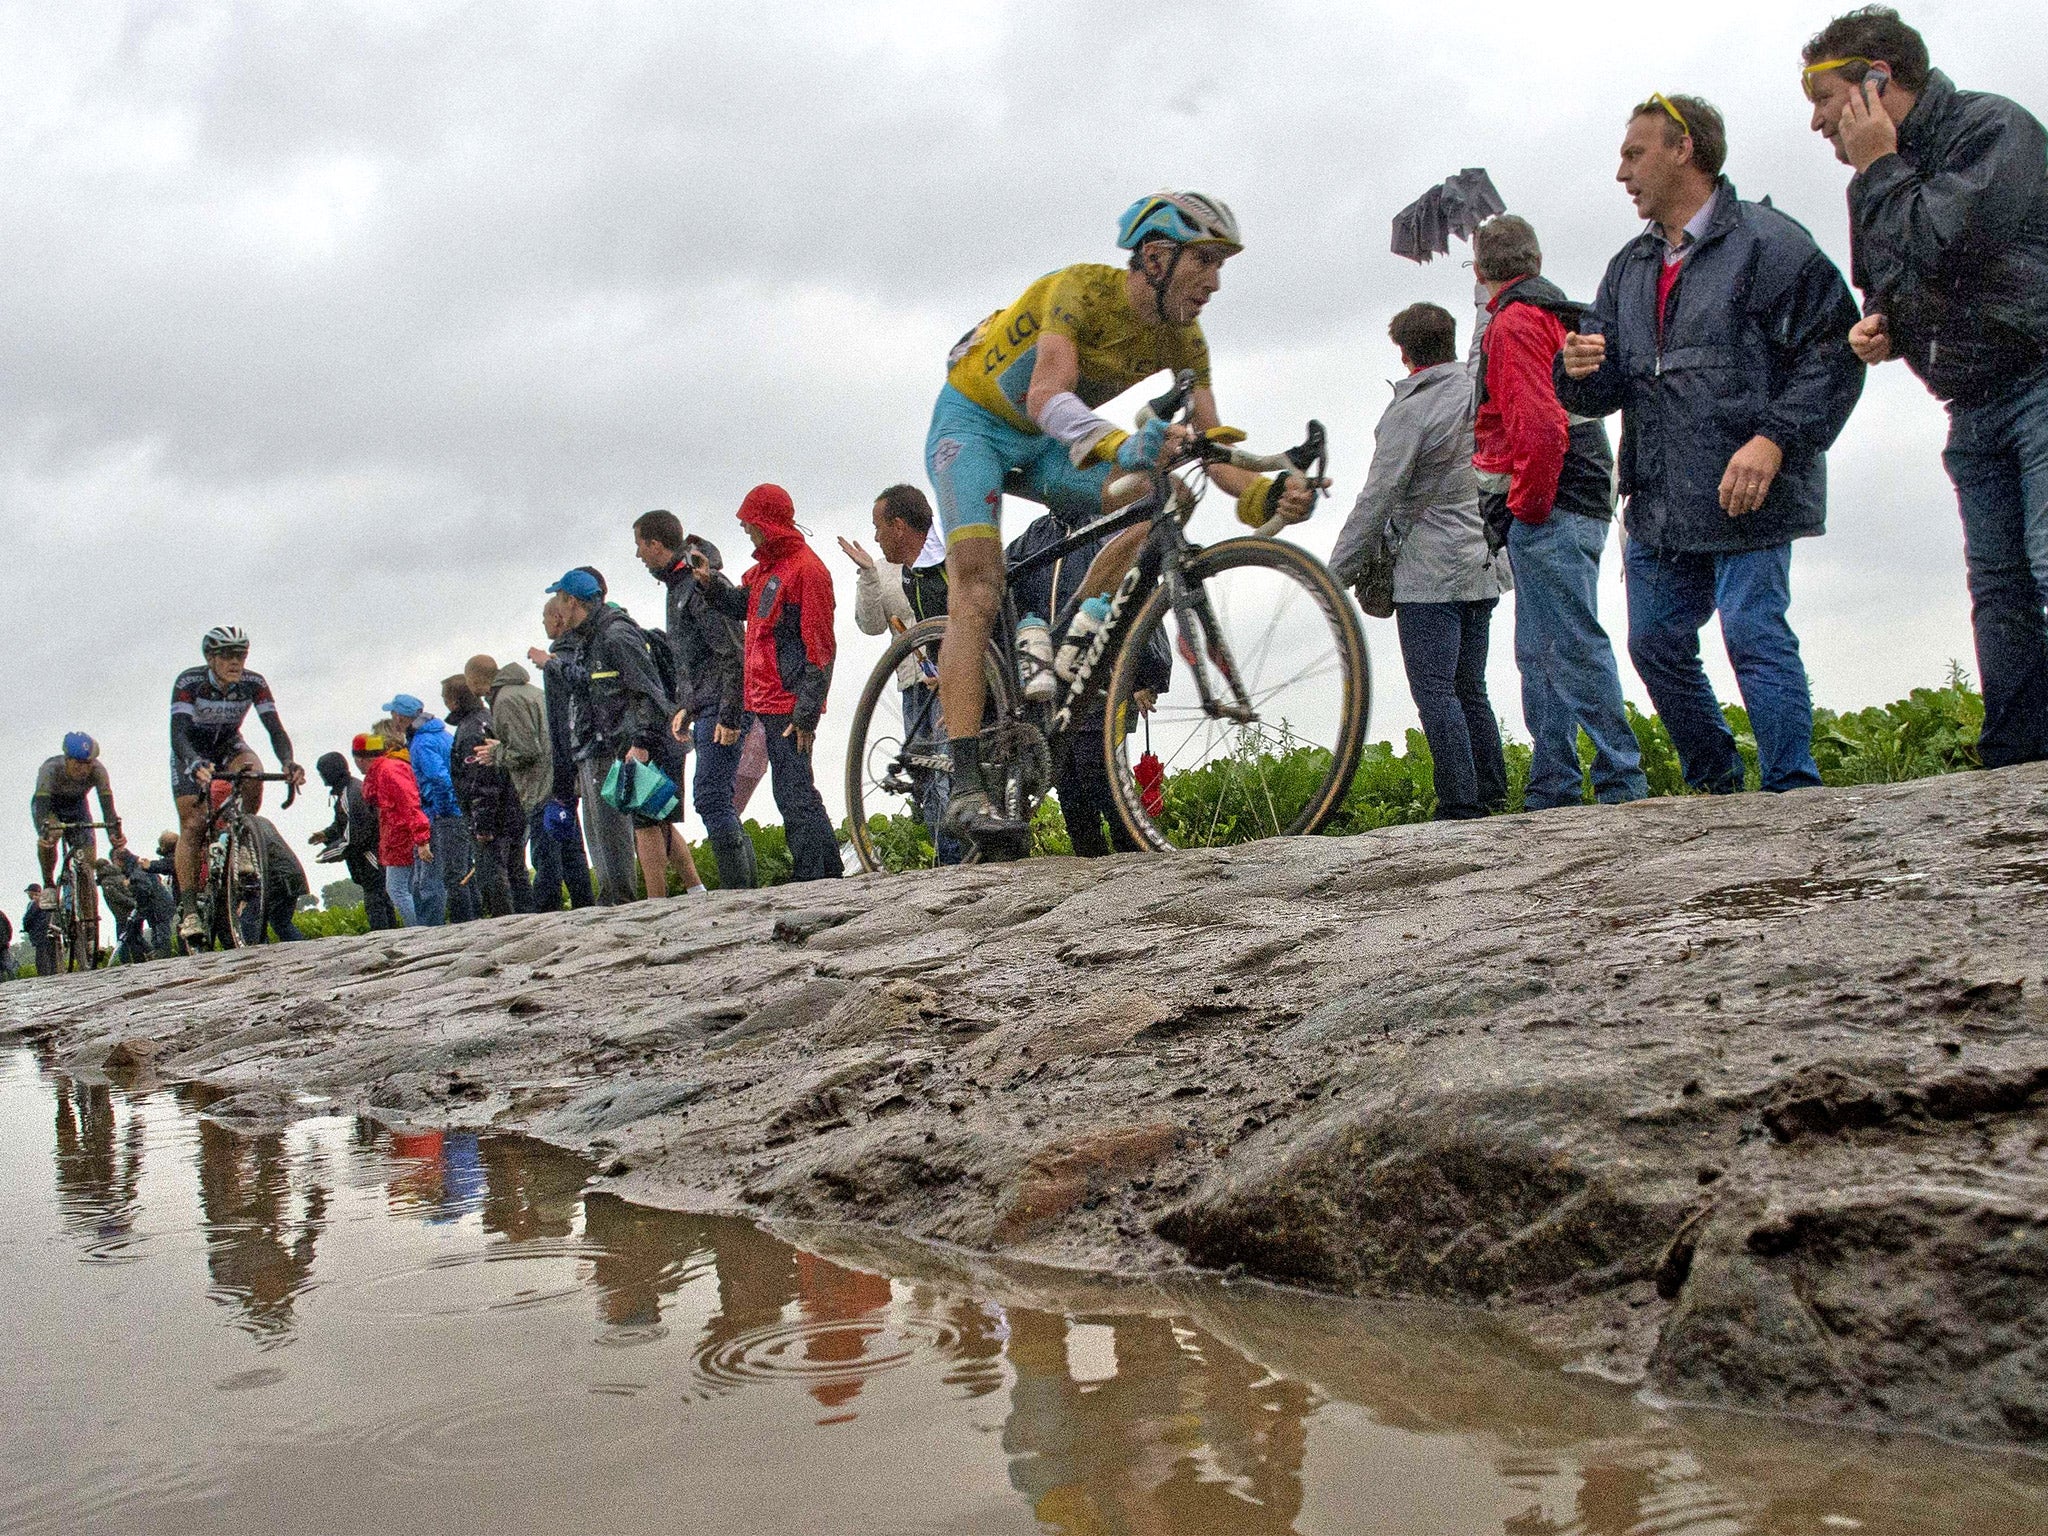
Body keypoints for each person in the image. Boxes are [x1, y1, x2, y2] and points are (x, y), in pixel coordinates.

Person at [925, 192, 1318, 853]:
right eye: (1206, 262)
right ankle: (964, 779)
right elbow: (1046, 395)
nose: (1215, 282)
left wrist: (1267, 493)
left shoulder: (1186, 338)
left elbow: (1211, 450)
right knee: (978, 587)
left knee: (1169, 495)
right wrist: (1120, 443)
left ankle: (1070, 632)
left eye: (1222, 265)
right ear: (1157, 258)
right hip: (974, 426)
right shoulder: (1078, 291)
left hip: (1048, 445)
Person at [1560, 94, 1865, 795]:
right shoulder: (1628, 266)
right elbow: (1601, 386)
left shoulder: (1769, 242)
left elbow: (1834, 350)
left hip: (1748, 485)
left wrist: (1775, 440)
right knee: (1654, 644)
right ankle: (1717, 786)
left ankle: (1792, 789)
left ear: (1682, 149)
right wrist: (1574, 371)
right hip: (1662, 495)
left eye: (1634, 153)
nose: (1621, 172)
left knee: (1754, 633)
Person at [1803, 8, 2048, 767]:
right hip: (1970, 403)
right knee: (2000, 586)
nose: (1815, 122)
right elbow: (1890, 275)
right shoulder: (1869, 182)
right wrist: (1885, 324)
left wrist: (1880, 166)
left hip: (2039, 379)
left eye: (1821, 97)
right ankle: (2018, 760)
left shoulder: (1991, 129)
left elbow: (1950, 242)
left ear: (1876, 81)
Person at [1465, 216, 1647, 811]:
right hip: (1586, 493)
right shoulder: (1554, 313)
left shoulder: (1513, 323)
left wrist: (1525, 506)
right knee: (1541, 647)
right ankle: (1553, 784)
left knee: (1567, 643)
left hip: (1552, 499)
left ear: (1481, 272)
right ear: (1535, 262)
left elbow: (1538, 427)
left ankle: (1619, 779)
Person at [1331, 302, 1512, 820]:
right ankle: (1493, 790)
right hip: (1483, 560)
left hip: (1428, 573)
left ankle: (1460, 801)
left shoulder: (1410, 411)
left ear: (1404, 353)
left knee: (1435, 690)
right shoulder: (1479, 394)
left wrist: (1332, 576)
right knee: (1470, 685)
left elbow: (1377, 498)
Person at [699, 485, 843, 882]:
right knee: (794, 788)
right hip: (770, 696)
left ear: (766, 524)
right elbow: (741, 605)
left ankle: (813, 873)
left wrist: (806, 713)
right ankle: (825, 868)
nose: (747, 531)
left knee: (794, 791)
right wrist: (709, 584)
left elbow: (822, 647)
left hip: (790, 699)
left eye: (750, 525)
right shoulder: (768, 570)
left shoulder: (806, 570)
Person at [1006, 508, 1171, 855]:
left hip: (1106, 680)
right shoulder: (1033, 539)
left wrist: (1145, 675)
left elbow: (1141, 595)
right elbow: (1004, 584)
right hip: (1052, 688)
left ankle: (1139, 863)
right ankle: (1091, 872)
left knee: (1105, 780)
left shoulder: (1108, 528)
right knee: (1070, 788)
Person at [544, 569, 706, 901]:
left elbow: (645, 690)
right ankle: (696, 889)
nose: (558, 610)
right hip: (634, 736)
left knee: (645, 823)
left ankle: (656, 901)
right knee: (657, 816)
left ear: (572, 601)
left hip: (644, 737)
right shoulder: (596, 636)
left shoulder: (614, 635)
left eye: (560, 600)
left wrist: (642, 742)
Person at [635, 509, 758, 890]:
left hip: (725, 705)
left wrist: (729, 714)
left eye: (640, 545)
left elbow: (730, 651)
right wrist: (685, 705)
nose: (638, 555)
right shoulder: (678, 586)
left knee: (710, 795)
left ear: (656, 544)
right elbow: (694, 657)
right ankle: (743, 886)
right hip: (706, 704)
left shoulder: (698, 583)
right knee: (713, 796)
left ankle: (739, 890)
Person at [838, 484, 959, 863]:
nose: (874, 535)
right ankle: (947, 856)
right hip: (912, 680)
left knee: (950, 769)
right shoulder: (895, 570)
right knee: (925, 774)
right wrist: (869, 575)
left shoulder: (938, 560)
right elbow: (872, 625)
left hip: (949, 673)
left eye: (878, 525)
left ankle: (960, 855)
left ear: (900, 525)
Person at [171, 626, 304, 944]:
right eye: (228, 656)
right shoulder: (190, 682)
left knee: (253, 771)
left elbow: (275, 729)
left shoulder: (253, 683)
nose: (236, 662)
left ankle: (242, 837)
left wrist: (287, 762)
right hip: (190, 749)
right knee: (192, 824)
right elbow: (178, 733)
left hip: (229, 745)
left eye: (241, 655)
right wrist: (193, 763)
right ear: (210, 658)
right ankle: (190, 910)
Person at [532, 577, 640, 905]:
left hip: (606, 741)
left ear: (572, 603)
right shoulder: (588, 640)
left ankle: (619, 898)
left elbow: (605, 689)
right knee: (600, 830)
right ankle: (612, 896)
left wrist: (553, 665)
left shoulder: (605, 636)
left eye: (561, 601)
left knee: (611, 828)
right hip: (592, 742)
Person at [524, 617, 597, 912]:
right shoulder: (573, 651)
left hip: (568, 759)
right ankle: (585, 900)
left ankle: (552, 904)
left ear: (557, 620)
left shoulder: (564, 654)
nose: (542, 623)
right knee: (572, 839)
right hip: (569, 757)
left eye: (544, 618)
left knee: (557, 840)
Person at [475, 659, 552, 913]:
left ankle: (546, 912)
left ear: (475, 681)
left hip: (538, 786)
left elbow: (526, 750)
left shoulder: (506, 699)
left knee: (546, 855)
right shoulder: (530, 690)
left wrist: (496, 754)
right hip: (555, 780)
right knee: (567, 852)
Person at [443, 675, 520, 918]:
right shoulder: (488, 719)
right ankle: (523, 916)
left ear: (454, 701)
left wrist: (482, 824)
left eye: (445, 698)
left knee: (493, 874)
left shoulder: (470, 732)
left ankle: (506, 921)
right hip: (511, 806)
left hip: (493, 814)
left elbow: (481, 780)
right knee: (515, 871)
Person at [381, 693, 459, 924]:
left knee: (428, 880)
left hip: (437, 812)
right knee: (448, 874)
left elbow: (439, 779)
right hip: (451, 810)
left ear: (399, 716)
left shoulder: (422, 742)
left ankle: (429, 930)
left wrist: (440, 811)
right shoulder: (441, 734)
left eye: (393, 713)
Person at [311, 747, 397, 931]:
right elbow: (343, 823)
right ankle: (393, 934)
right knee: (382, 898)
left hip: (370, 855)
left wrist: (329, 853)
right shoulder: (352, 788)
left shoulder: (350, 794)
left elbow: (354, 837)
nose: (321, 777)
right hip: (376, 851)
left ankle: (384, 938)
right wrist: (326, 834)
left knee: (375, 900)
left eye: (322, 772)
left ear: (330, 772)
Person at [356, 734, 434, 926]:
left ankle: (417, 930)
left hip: (402, 837)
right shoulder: (385, 770)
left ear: (360, 760)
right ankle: (419, 927)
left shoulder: (388, 772)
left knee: (396, 889)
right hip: (397, 836)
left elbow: (410, 803)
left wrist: (422, 839)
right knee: (405, 887)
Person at [32, 733, 124, 888]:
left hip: (77, 807)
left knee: (87, 865)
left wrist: (115, 835)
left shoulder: (98, 771)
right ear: (67, 759)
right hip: (50, 807)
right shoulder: (49, 769)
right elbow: (42, 806)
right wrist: (44, 831)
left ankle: (90, 911)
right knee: (52, 834)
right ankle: (48, 884)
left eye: (88, 763)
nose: (84, 769)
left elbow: (108, 809)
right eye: (78, 764)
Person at [238, 815, 308, 944]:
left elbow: (247, 863)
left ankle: (260, 957)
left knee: (249, 921)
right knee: (281, 923)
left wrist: (244, 896)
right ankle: (304, 951)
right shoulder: (260, 821)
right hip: (293, 872)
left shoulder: (238, 827)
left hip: (275, 877)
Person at [22, 885, 55, 976]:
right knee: (48, 953)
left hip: (39, 931)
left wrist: (26, 928)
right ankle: (50, 972)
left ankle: (43, 973)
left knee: (41, 954)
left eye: (29, 892)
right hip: (47, 930)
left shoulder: (34, 902)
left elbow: (28, 918)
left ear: (32, 893)